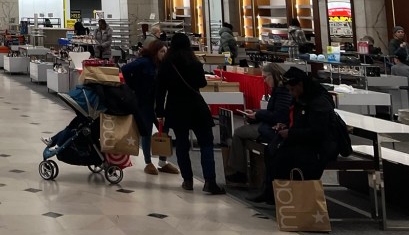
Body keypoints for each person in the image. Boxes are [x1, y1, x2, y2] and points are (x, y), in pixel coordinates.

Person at [251, 66, 340, 204]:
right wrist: (285, 125)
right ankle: (271, 192)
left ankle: (282, 196)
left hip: (319, 146)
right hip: (302, 139)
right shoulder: (300, 97)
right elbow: (298, 121)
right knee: (271, 150)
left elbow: (318, 132)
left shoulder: (318, 102)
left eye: (292, 89)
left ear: (300, 85)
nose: (291, 93)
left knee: (282, 157)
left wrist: (291, 132)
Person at [155, 32, 225, 195]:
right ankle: (210, 181)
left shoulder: (167, 64)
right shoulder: (194, 62)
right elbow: (202, 83)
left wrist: (160, 112)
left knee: (182, 144)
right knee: (206, 142)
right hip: (196, 106)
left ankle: (187, 180)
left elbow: (160, 90)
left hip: (176, 107)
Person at [224, 62, 291, 185]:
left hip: (272, 128)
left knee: (238, 133)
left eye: (265, 77)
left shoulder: (282, 91)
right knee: (241, 132)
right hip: (270, 124)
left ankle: (239, 171)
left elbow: (278, 115)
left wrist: (257, 114)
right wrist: (256, 112)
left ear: (273, 75)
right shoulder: (281, 89)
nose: (264, 81)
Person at [122, 40, 178, 176]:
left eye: (165, 51)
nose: (164, 54)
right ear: (155, 51)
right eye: (162, 51)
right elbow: (125, 69)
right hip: (144, 103)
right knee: (146, 132)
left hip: (158, 104)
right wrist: (134, 86)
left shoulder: (163, 65)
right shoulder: (144, 62)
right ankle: (148, 162)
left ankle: (162, 161)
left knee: (163, 131)